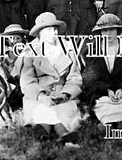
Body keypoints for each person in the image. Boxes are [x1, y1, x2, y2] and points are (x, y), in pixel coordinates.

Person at [18, 12, 87, 142]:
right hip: (39, 94)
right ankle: (58, 133)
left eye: (55, 29)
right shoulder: (31, 51)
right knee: (43, 108)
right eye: (49, 30)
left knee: (63, 109)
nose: (54, 33)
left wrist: (66, 94)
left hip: (62, 93)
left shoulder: (67, 48)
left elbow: (74, 77)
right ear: (40, 32)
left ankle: (52, 132)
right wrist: (41, 96)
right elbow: (27, 81)